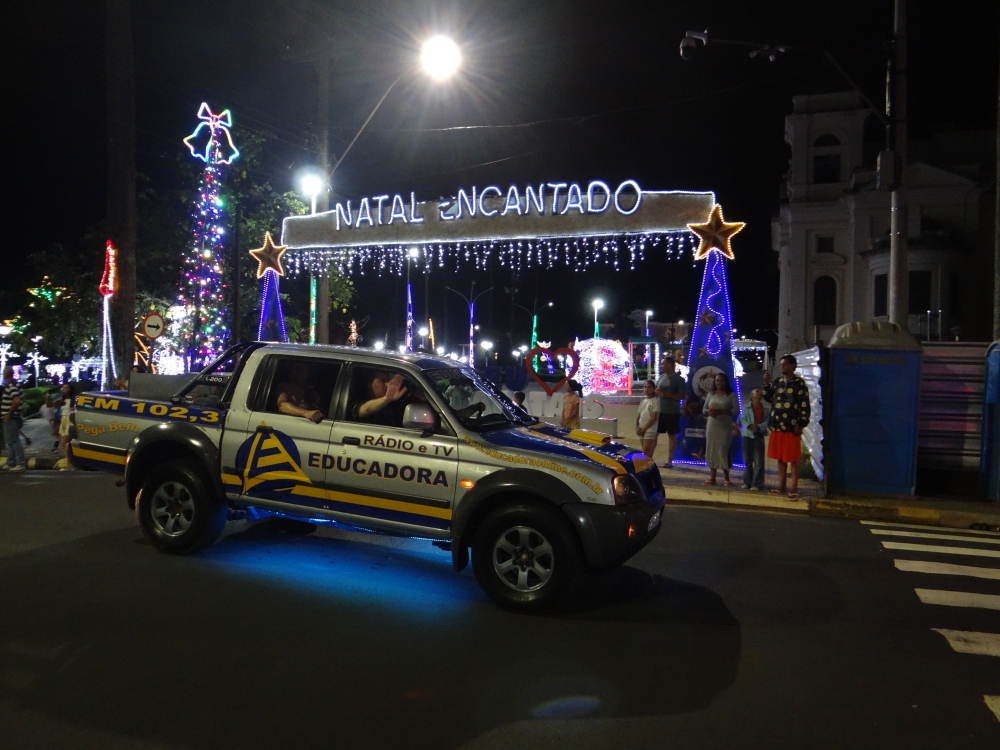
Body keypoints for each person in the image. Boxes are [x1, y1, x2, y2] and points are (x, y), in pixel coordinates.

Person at [763, 354, 811, 500]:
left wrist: (801, 423)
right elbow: (769, 398)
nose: (782, 367)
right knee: (780, 457)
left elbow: (804, 405)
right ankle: (782, 486)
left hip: (792, 427)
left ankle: (794, 488)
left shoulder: (799, 383)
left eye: (785, 364)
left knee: (793, 458)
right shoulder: (777, 382)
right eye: (781, 364)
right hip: (777, 425)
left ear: (793, 366)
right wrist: (766, 384)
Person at [702, 372, 738, 486]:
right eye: (717, 380)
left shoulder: (731, 395)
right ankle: (712, 478)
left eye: (722, 380)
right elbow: (704, 409)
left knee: (723, 451)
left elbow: (736, 410)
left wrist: (722, 411)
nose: (719, 383)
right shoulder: (711, 394)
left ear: (726, 382)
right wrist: (709, 412)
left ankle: (727, 478)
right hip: (712, 426)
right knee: (712, 450)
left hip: (724, 427)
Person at [655, 356, 684, 469]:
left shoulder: (678, 379)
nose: (661, 366)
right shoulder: (661, 377)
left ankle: (669, 460)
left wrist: (667, 395)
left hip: (672, 412)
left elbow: (682, 395)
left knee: (671, 435)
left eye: (663, 364)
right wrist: (657, 392)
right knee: (654, 434)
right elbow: (656, 392)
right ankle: (649, 457)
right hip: (660, 411)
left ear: (669, 365)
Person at [739, 388, 770, 491]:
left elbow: (767, 421)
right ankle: (747, 482)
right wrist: (750, 425)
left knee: (758, 461)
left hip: (759, 435)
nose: (757, 399)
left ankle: (757, 484)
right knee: (747, 460)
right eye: (755, 397)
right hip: (747, 435)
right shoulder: (746, 407)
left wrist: (759, 427)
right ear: (751, 397)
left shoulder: (766, 409)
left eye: (759, 397)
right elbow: (742, 418)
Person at [47, 382, 77, 469]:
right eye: (63, 388)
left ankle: (69, 463)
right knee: (67, 443)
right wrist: (48, 397)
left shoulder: (74, 399)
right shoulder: (62, 399)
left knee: (65, 443)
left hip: (70, 420)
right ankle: (70, 462)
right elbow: (49, 405)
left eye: (66, 388)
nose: (64, 390)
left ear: (70, 389)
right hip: (63, 420)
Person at [2, 366, 26, 472]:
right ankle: (11, 462)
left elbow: (16, 400)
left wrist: (10, 414)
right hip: (15, 416)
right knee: (10, 441)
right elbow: (22, 399)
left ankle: (20, 463)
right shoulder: (16, 384)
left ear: (7, 374)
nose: (3, 374)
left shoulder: (11, 386)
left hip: (11, 418)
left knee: (14, 441)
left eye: (3, 373)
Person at [635, 380, 660, 459]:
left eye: (649, 387)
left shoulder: (655, 401)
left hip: (650, 429)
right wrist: (637, 427)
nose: (646, 389)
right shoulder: (643, 401)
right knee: (645, 451)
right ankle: (648, 463)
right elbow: (639, 416)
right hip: (641, 427)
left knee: (646, 451)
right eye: (645, 387)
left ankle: (648, 464)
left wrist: (644, 429)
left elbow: (653, 418)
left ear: (653, 389)